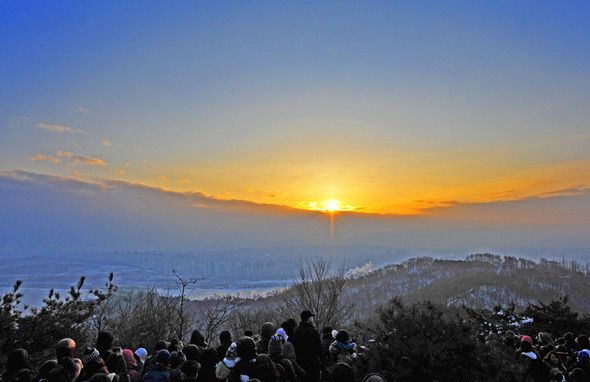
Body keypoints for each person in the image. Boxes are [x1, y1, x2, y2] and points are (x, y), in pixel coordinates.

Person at [290, 311, 321, 382]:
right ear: (308, 319)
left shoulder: (296, 331)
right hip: (313, 364)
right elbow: (318, 349)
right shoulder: (313, 331)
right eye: (311, 317)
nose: (312, 319)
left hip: (300, 363)